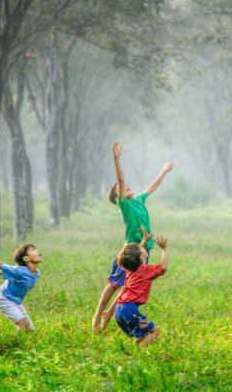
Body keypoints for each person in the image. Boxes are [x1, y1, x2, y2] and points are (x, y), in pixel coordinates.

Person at [92, 140, 173, 334]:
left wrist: (164, 171)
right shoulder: (125, 204)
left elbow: (152, 187)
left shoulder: (138, 200)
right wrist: (116, 158)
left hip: (145, 248)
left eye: (127, 186)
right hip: (130, 251)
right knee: (114, 284)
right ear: (117, 197)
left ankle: (109, 315)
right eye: (121, 188)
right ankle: (97, 317)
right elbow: (120, 180)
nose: (126, 187)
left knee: (132, 283)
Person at [114, 229, 169, 346]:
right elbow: (163, 268)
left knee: (144, 334)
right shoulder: (145, 271)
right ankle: (140, 354)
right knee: (154, 331)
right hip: (129, 310)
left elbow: (132, 255)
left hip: (119, 310)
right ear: (143, 256)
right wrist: (164, 250)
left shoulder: (130, 269)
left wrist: (144, 241)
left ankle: (134, 351)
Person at [0, 244, 41, 331]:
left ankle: (19, 342)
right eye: (32, 250)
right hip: (4, 300)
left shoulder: (36, 272)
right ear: (26, 258)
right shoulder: (19, 271)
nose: (37, 251)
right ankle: (14, 343)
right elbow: (1, 265)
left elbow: (14, 272)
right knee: (23, 324)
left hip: (16, 303)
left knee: (30, 329)